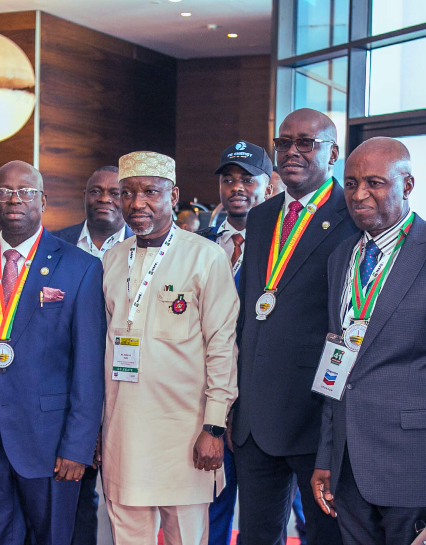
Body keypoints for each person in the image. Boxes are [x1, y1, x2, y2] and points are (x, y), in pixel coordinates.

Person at [0, 160, 106, 545]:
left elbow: (87, 368)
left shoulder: (80, 268)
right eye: (4, 192)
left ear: (43, 199)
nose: (15, 199)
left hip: (50, 443)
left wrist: (78, 446)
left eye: (26, 192)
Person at [232, 108, 358, 545]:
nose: (292, 151)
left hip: (315, 417)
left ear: (334, 153)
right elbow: (252, 310)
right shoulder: (263, 215)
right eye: (284, 143)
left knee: (326, 536)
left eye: (306, 142)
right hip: (253, 419)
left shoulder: (354, 219)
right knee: (256, 536)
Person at [100, 151, 238, 545]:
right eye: (127, 193)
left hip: (185, 433)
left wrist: (214, 425)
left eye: (150, 192)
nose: (137, 203)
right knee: (128, 535)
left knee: (187, 539)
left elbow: (222, 346)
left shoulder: (205, 256)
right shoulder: (112, 258)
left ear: (173, 195)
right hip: (123, 430)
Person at [311, 137, 426, 545]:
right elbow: (336, 360)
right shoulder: (341, 257)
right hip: (347, 466)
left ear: (407, 185)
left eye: (375, 183)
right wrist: (326, 456)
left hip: (412, 468)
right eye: (352, 182)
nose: (360, 195)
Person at [195, 141, 272, 545]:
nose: (237, 187)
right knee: (213, 501)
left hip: (265, 400)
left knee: (273, 510)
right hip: (210, 395)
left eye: (247, 179)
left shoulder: (281, 247)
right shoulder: (199, 244)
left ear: (268, 187)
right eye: (228, 179)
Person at [51, 165, 131, 545]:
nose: (103, 199)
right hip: (69, 394)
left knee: (127, 501)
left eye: (114, 192)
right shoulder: (54, 245)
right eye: (94, 191)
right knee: (74, 496)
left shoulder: (148, 246)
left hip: (128, 392)